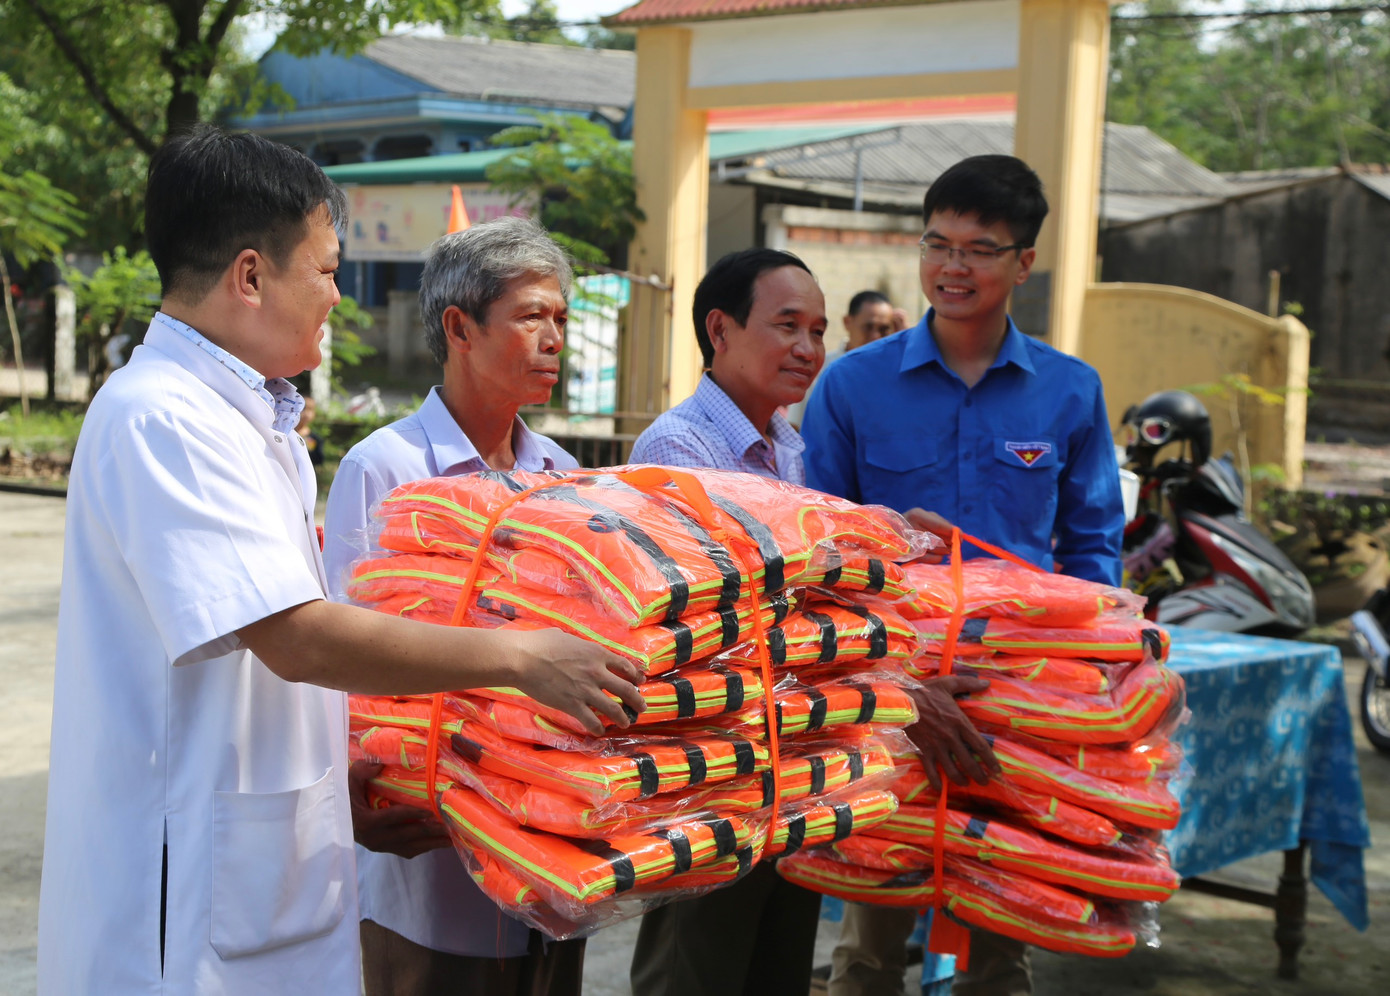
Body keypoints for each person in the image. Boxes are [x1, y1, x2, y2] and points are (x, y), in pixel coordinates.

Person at [36, 126, 644, 995]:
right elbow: (296, 637)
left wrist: (342, 785)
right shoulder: (163, 416)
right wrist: (519, 658)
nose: (337, 296)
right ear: (250, 276)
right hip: (184, 910)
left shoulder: (252, 422)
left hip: (262, 863)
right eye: (325, 270)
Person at [627, 248, 995, 996]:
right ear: (719, 330)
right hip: (713, 775)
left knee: (776, 970)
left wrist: (882, 537)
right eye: (787, 325)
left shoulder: (788, 446)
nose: (808, 348)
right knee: (696, 968)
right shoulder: (684, 449)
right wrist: (889, 694)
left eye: (819, 330)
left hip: (791, 767)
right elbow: (732, 629)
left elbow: (803, 587)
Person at [801, 155, 1125, 996]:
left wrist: (1097, 678)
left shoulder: (1069, 390)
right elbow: (818, 553)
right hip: (888, 687)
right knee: (869, 935)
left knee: (999, 933)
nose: (953, 267)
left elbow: (1093, 550)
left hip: (1019, 695)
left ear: (1024, 262)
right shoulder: (851, 386)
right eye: (937, 244)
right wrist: (884, 680)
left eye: (980, 249)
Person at [322, 217, 588, 996]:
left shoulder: (563, 476)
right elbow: (345, 653)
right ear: (458, 327)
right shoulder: (389, 468)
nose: (554, 339)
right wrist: (350, 790)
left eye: (562, 320)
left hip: (548, 845)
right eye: (533, 316)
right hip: (430, 857)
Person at [786, 289, 897, 427]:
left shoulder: (897, 373)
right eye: (868, 327)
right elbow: (795, 425)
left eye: (884, 329)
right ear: (847, 322)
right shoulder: (818, 368)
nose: (876, 337)